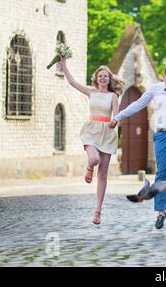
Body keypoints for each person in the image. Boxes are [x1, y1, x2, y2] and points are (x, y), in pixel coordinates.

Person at [109, 34, 166, 229]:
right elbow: (137, 104)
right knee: (161, 175)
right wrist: (117, 117)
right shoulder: (154, 89)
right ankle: (160, 212)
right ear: (163, 76)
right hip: (161, 135)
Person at [59, 57, 125, 225]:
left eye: (105, 76)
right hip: (91, 130)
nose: (103, 78)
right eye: (100, 76)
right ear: (96, 79)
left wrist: (115, 121)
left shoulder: (113, 96)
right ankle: (89, 167)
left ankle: (98, 211)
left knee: (102, 175)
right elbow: (73, 82)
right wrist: (64, 65)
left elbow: (117, 115)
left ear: (109, 79)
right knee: (94, 159)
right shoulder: (91, 92)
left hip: (107, 133)